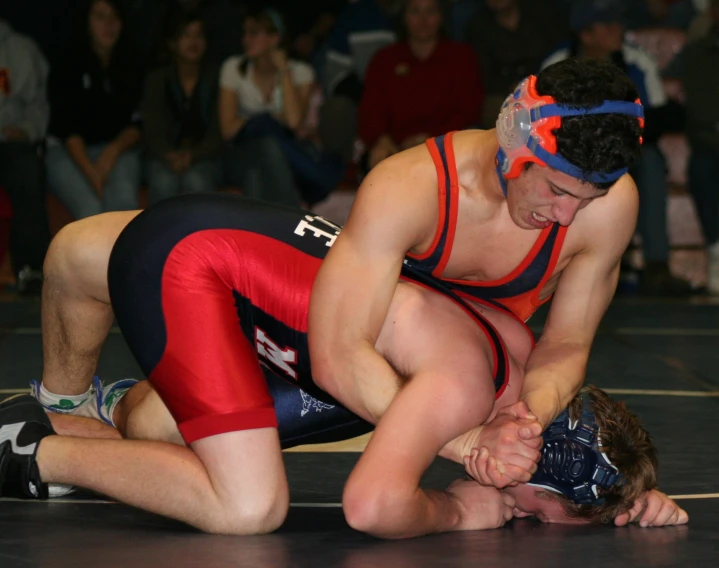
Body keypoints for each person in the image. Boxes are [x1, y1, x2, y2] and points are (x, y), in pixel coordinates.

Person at [3, 194, 685, 533]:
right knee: (247, 506)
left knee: (157, 423)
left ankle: (73, 413)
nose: (528, 518)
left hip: (245, 270)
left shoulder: (521, 362)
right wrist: (453, 510)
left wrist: (628, 496)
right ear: (540, 466)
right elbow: (371, 505)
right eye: (539, 512)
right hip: (199, 265)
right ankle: (32, 445)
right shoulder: (464, 385)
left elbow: (579, 457)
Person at [308, 56, 646, 499]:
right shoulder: (408, 188)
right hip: (325, 363)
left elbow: (566, 344)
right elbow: (337, 354)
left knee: (581, 466)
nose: (566, 217)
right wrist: (466, 445)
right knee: (250, 505)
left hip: (426, 385)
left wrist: (527, 418)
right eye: (557, 190)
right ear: (514, 140)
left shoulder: (610, 209)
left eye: (588, 198)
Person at [540, 0, 692, 295]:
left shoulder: (637, 61)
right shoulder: (557, 63)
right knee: (549, 164)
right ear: (586, 34)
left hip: (627, 151)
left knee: (651, 161)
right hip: (570, 151)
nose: (618, 30)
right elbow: (543, 118)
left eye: (618, 23)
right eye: (608, 25)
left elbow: (659, 117)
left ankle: (657, 266)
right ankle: (555, 266)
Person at [219, 8, 343, 207]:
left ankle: (263, 229)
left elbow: (294, 122)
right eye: (245, 34)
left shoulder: (300, 71)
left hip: (280, 157)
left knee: (264, 158)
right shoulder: (233, 68)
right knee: (266, 138)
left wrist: (284, 71)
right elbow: (228, 130)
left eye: (254, 33)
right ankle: (292, 219)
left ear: (274, 38)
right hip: (241, 153)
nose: (245, 40)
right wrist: (267, 120)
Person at [45, 0, 143, 220]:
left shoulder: (131, 61)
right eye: (100, 17)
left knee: (124, 207)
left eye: (114, 17)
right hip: (68, 151)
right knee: (90, 210)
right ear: (87, 23)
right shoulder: (67, 61)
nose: (108, 24)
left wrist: (112, 152)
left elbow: (137, 123)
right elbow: (66, 128)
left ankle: (127, 255)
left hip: (118, 149)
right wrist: (94, 175)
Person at [358, 0, 484, 170]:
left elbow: (469, 110)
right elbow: (370, 110)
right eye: (415, 12)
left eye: (431, 12)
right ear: (404, 17)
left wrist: (431, 140)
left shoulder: (461, 57)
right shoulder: (384, 59)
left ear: (441, 17)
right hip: (395, 149)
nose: (423, 20)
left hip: (448, 146)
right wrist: (382, 140)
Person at [141, 11, 223, 204]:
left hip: (206, 156)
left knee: (197, 181)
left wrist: (192, 155)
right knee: (163, 183)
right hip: (162, 156)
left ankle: (203, 234)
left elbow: (218, 132)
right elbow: (151, 129)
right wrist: (169, 154)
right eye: (186, 35)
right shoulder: (157, 79)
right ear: (172, 42)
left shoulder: (216, 77)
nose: (193, 41)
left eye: (199, 35)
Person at [0, 18, 52, 295]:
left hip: (10, 142)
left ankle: (31, 269)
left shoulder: (21, 49)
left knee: (28, 171)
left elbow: (39, 104)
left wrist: (26, 130)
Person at [463, 0, 566, 128]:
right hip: (503, 95)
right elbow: (481, 74)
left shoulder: (543, 15)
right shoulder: (477, 26)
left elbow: (561, 54)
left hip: (545, 85)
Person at [682, 0, 719, 294]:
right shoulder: (699, 52)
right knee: (703, 164)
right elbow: (701, 113)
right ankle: (717, 250)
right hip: (713, 141)